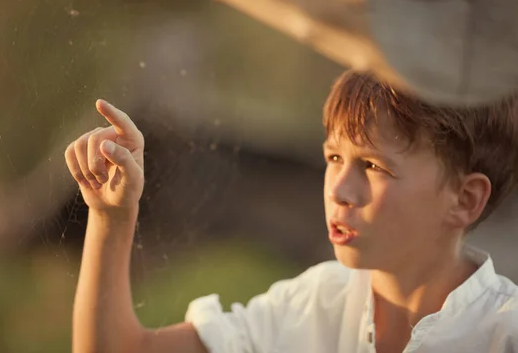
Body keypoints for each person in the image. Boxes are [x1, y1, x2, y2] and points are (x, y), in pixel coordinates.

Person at [65, 71, 518, 353]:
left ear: (464, 200)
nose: (339, 189)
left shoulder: (504, 334)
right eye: (334, 158)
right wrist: (110, 217)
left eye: (375, 167)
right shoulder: (314, 304)